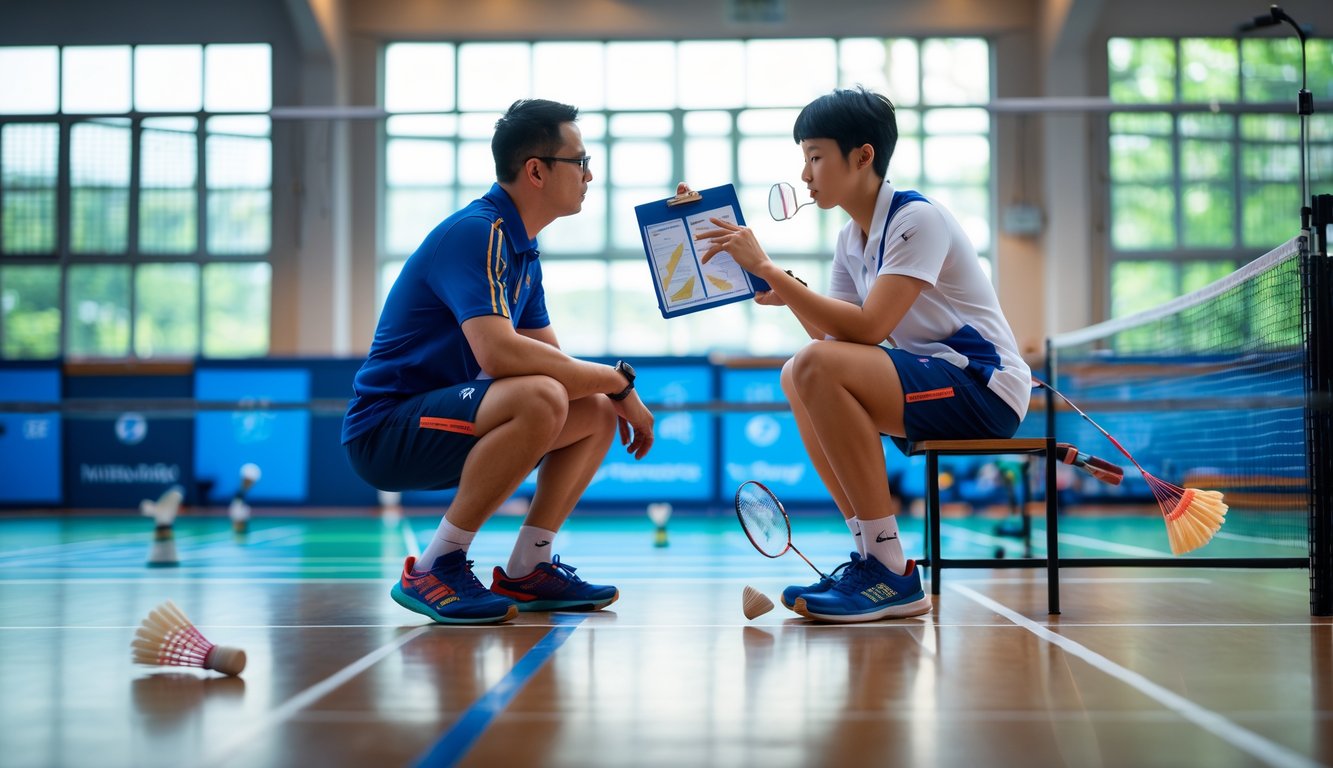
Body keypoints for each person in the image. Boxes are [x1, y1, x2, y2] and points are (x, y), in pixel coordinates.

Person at [691, 87, 1030, 623]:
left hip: (985, 388)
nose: (805, 174)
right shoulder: (852, 238)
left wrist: (775, 270)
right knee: (795, 374)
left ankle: (892, 572)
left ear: (863, 156)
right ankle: (874, 557)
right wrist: (781, 285)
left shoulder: (918, 220)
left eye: (815, 157)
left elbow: (870, 328)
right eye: (804, 159)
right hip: (927, 383)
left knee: (809, 367)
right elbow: (833, 345)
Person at [343, 98, 655, 625]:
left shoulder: (522, 251)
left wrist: (610, 392)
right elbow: (500, 352)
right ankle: (435, 565)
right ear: (536, 170)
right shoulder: (477, 232)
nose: (589, 174)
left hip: (450, 419)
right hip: (386, 429)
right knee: (544, 394)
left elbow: (550, 359)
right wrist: (620, 382)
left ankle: (528, 567)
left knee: (595, 409)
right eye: (579, 161)